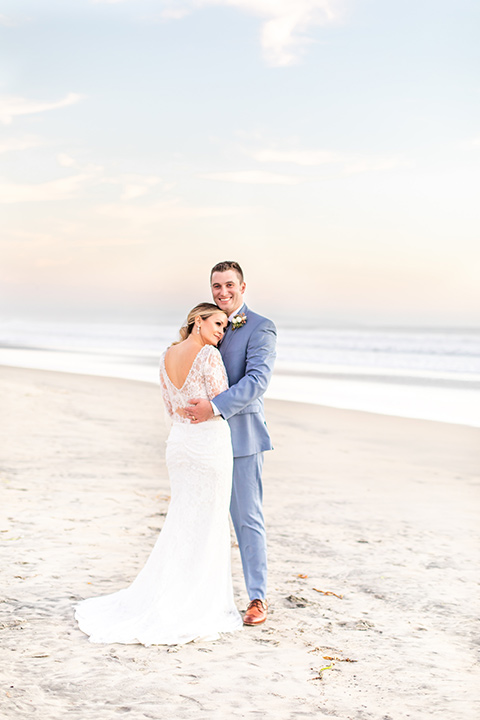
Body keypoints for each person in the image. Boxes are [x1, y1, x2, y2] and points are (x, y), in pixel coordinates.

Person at [74, 303, 243, 645]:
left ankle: (169, 593)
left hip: (179, 444)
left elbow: (170, 407)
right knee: (207, 524)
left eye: (225, 327)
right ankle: (195, 602)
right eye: (217, 324)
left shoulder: (167, 356)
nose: (221, 332)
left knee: (182, 522)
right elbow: (219, 403)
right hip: (208, 446)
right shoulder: (209, 357)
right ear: (198, 321)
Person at [186, 262, 276, 626]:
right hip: (205, 439)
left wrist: (215, 407)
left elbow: (257, 380)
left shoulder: (261, 327)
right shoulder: (205, 323)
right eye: (216, 286)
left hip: (242, 437)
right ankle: (198, 593)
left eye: (229, 285)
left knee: (246, 519)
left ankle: (257, 598)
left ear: (242, 286)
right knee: (202, 518)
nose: (222, 292)